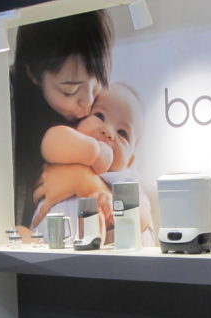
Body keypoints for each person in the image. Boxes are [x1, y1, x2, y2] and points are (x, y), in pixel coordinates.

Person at [10, 10, 113, 231]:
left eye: (96, 84)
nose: (87, 103)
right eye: (70, 90)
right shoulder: (3, 106)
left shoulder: (104, 107)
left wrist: (81, 180)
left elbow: (137, 211)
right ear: (32, 73)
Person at [31, 83, 153, 242]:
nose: (108, 131)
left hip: (85, 250)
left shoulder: (122, 179)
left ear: (129, 161)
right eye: (100, 116)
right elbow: (50, 143)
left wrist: (113, 206)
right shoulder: (69, 152)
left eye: (122, 133)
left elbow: (143, 216)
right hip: (41, 242)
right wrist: (95, 151)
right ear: (77, 122)